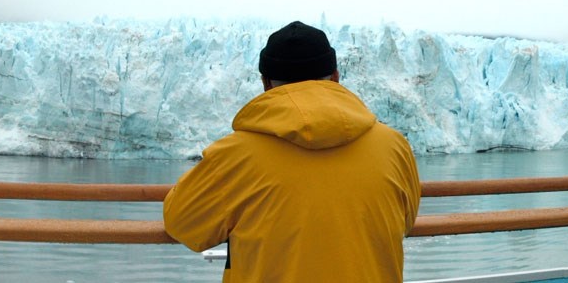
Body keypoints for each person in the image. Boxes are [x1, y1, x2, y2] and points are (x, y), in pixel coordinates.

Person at [163, 21, 421, 282]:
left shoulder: (232, 156)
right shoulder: (394, 146)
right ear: (335, 76)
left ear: (265, 83)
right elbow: (406, 221)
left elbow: (182, 223)